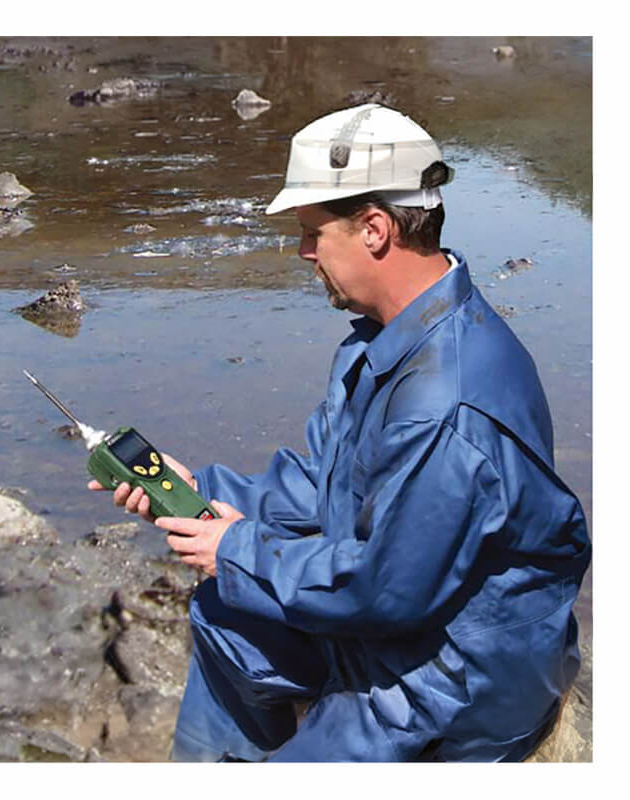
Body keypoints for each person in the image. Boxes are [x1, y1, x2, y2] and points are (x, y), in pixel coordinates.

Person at [88, 104, 591, 762]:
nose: (302, 252)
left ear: (375, 229)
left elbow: (385, 591)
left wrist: (235, 551)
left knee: (240, 589)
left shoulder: (449, 401)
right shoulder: (384, 342)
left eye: (311, 232)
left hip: (450, 680)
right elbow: (323, 486)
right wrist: (196, 493)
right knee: (225, 615)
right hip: (401, 626)